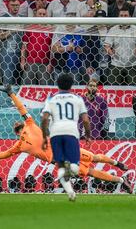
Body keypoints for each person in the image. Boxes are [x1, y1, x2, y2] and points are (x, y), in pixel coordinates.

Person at [0, 85, 130, 192]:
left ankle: (118, 163)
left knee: (94, 158)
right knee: (91, 171)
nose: (16, 122)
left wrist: (11, 93)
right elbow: (4, 154)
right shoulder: (19, 145)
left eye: (17, 121)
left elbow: (21, 108)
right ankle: (122, 181)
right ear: (16, 132)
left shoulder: (29, 123)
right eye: (15, 124)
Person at [41, 73, 91, 201]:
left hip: (55, 133)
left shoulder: (51, 99)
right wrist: (88, 135)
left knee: (61, 167)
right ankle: (71, 169)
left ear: (57, 84)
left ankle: (70, 193)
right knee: (75, 167)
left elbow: (45, 118)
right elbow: (85, 120)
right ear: (71, 85)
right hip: (71, 132)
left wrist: (44, 136)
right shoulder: (78, 99)